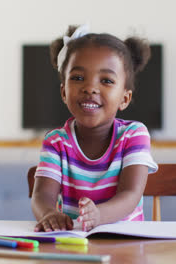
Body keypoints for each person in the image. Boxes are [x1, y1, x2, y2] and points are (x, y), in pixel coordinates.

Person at [31, 24, 158, 232]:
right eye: (78, 78)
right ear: (64, 92)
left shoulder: (134, 135)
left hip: (127, 246)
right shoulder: (55, 141)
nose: (90, 88)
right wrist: (49, 213)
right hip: (75, 246)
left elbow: (131, 194)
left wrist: (100, 215)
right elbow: (41, 196)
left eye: (106, 80)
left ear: (124, 98)